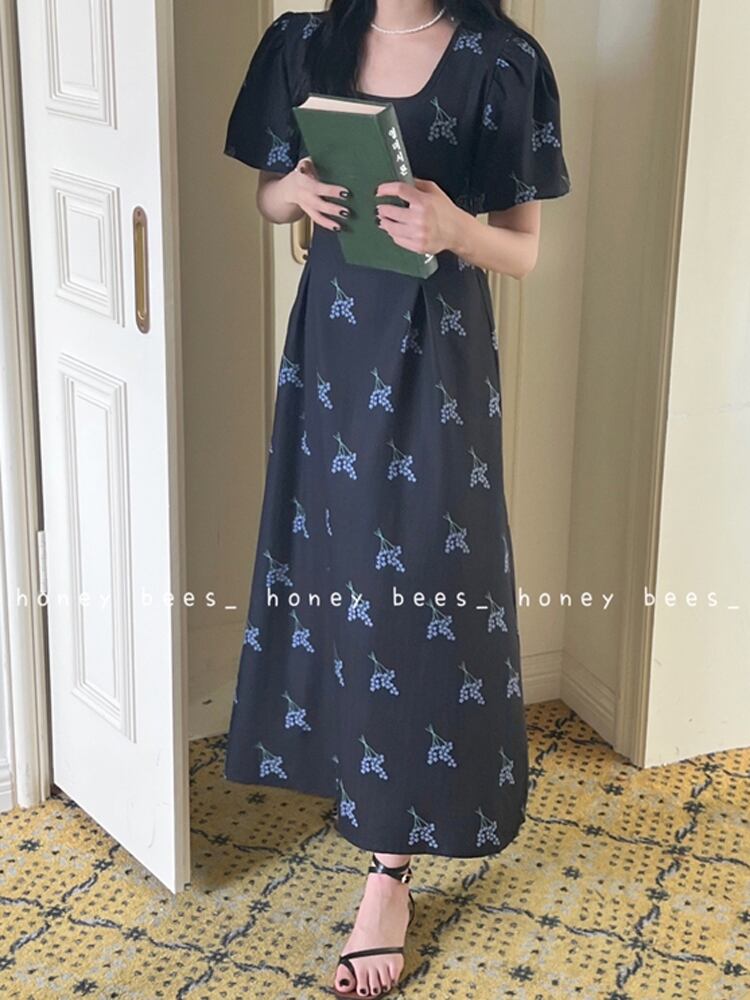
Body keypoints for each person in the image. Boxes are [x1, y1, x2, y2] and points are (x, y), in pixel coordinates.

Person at [222, 2, 571, 996]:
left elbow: (526, 249)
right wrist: (292, 192)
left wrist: (455, 227)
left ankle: (389, 870)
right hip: (331, 355)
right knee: (334, 574)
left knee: (420, 589)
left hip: (437, 362)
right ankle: (355, 783)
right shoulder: (303, 43)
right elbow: (268, 197)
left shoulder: (501, 60)